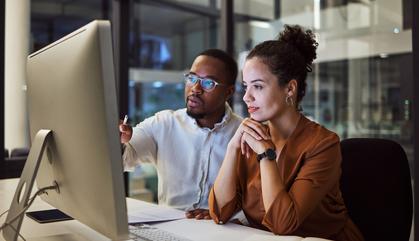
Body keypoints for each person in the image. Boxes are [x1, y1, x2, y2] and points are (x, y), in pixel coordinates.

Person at [209, 25, 364, 241]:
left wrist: (265, 155)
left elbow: (284, 223)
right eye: (246, 86)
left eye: (258, 86)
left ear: (289, 89)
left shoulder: (323, 144)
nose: (247, 97)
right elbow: (219, 212)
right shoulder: (251, 137)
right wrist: (233, 148)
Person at [119, 49, 242, 219]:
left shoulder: (244, 134)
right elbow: (124, 160)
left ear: (228, 92)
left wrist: (225, 214)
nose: (195, 88)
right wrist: (119, 141)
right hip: (168, 227)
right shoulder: (164, 123)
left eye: (208, 83)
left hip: (224, 229)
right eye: (192, 78)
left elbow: (256, 201)